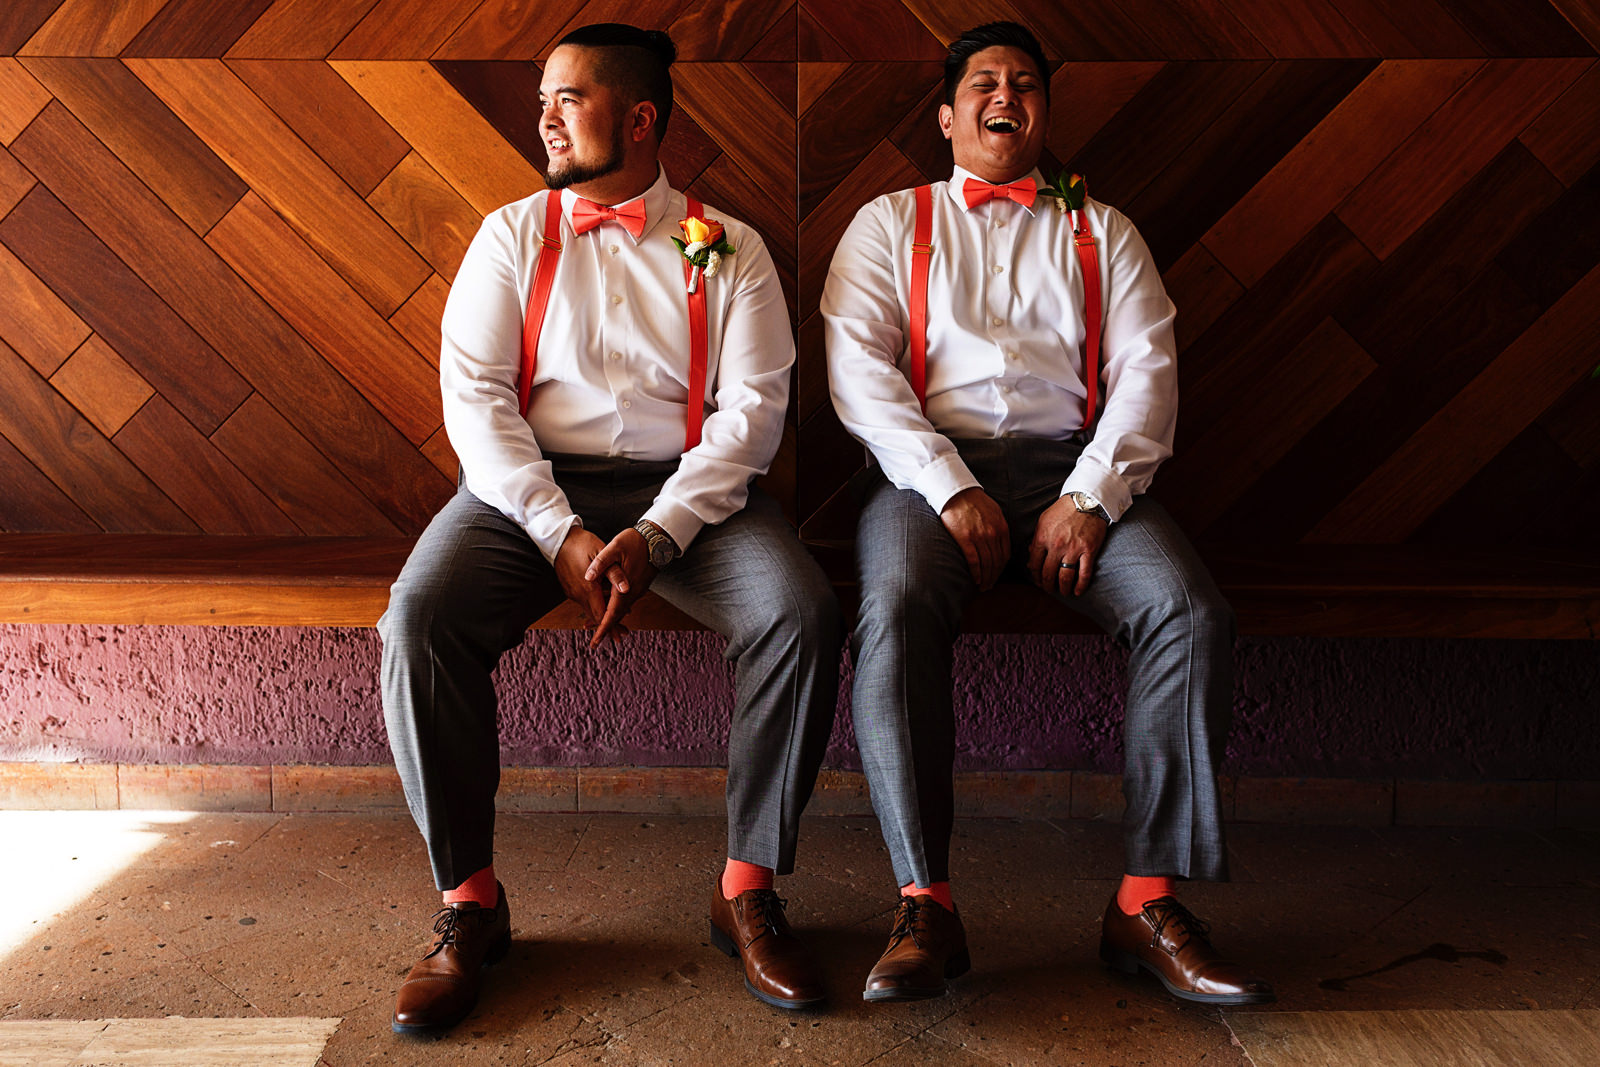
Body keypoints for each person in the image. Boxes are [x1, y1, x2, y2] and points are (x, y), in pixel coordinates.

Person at [379, 24, 840, 1032]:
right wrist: (559, 532)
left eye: (567, 98)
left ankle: (746, 885)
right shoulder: (510, 236)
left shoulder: (733, 247)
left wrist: (662, 531)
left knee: (799, 611)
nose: (541, 118)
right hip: (525, 492)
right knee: (418, 619)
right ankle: (470, 903)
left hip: (693, 495)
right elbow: (476, 403)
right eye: (541, 98)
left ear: (639, 119)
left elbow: (751, 415)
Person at [821, 21, 1273, 1006]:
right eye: (983, 81)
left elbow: (1148, 376)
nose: (1005, 94)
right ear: (947, 116)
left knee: (1189, 612)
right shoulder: (887, 225)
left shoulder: (1102, 230)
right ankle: (924, 902)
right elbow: (859, 377)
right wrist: (950, 486)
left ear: (1042, 115)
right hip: (923, 478)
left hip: (1079, 475)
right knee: (891, 607)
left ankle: (1143, 901)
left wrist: (1090, 497)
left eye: (1025, 83)